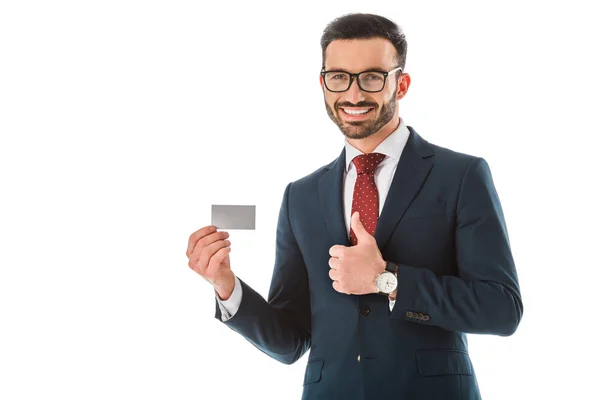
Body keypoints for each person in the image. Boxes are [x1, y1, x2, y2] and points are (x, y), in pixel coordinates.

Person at [186, 13, 523, 400]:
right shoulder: (301, 196)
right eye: (339, 77)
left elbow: (502, 309)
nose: (353, 94)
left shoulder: (461, 175)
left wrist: (387, 279)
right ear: (323, 83)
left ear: (402, 83)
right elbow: (291, 341)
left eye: (372, 77)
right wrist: (227, 287)